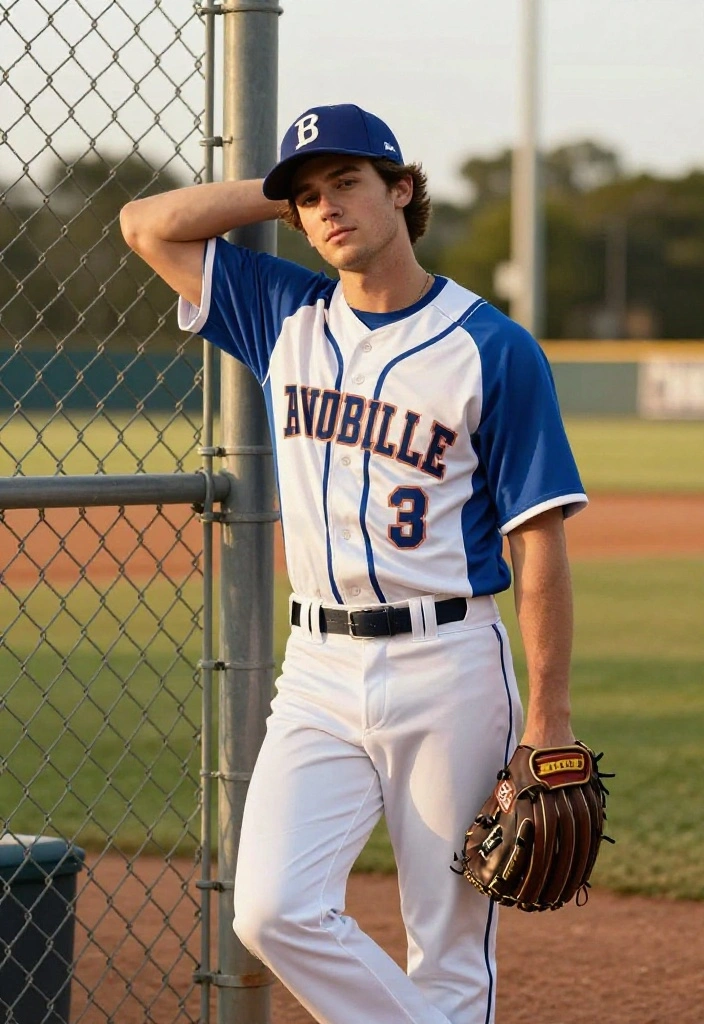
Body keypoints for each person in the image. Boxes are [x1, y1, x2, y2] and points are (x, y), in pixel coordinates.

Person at [120, 103, 587, 1024]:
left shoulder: (491, 347)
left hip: (450, 664)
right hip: (319, 672)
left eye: (347, 184)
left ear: (402, 190)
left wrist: (549, 719)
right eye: (309, 199)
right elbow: (146, 224)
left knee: (448, 949)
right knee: (272, 909)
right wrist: (276, 189)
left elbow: (540, 544)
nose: (327, 209)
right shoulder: (281, 314)